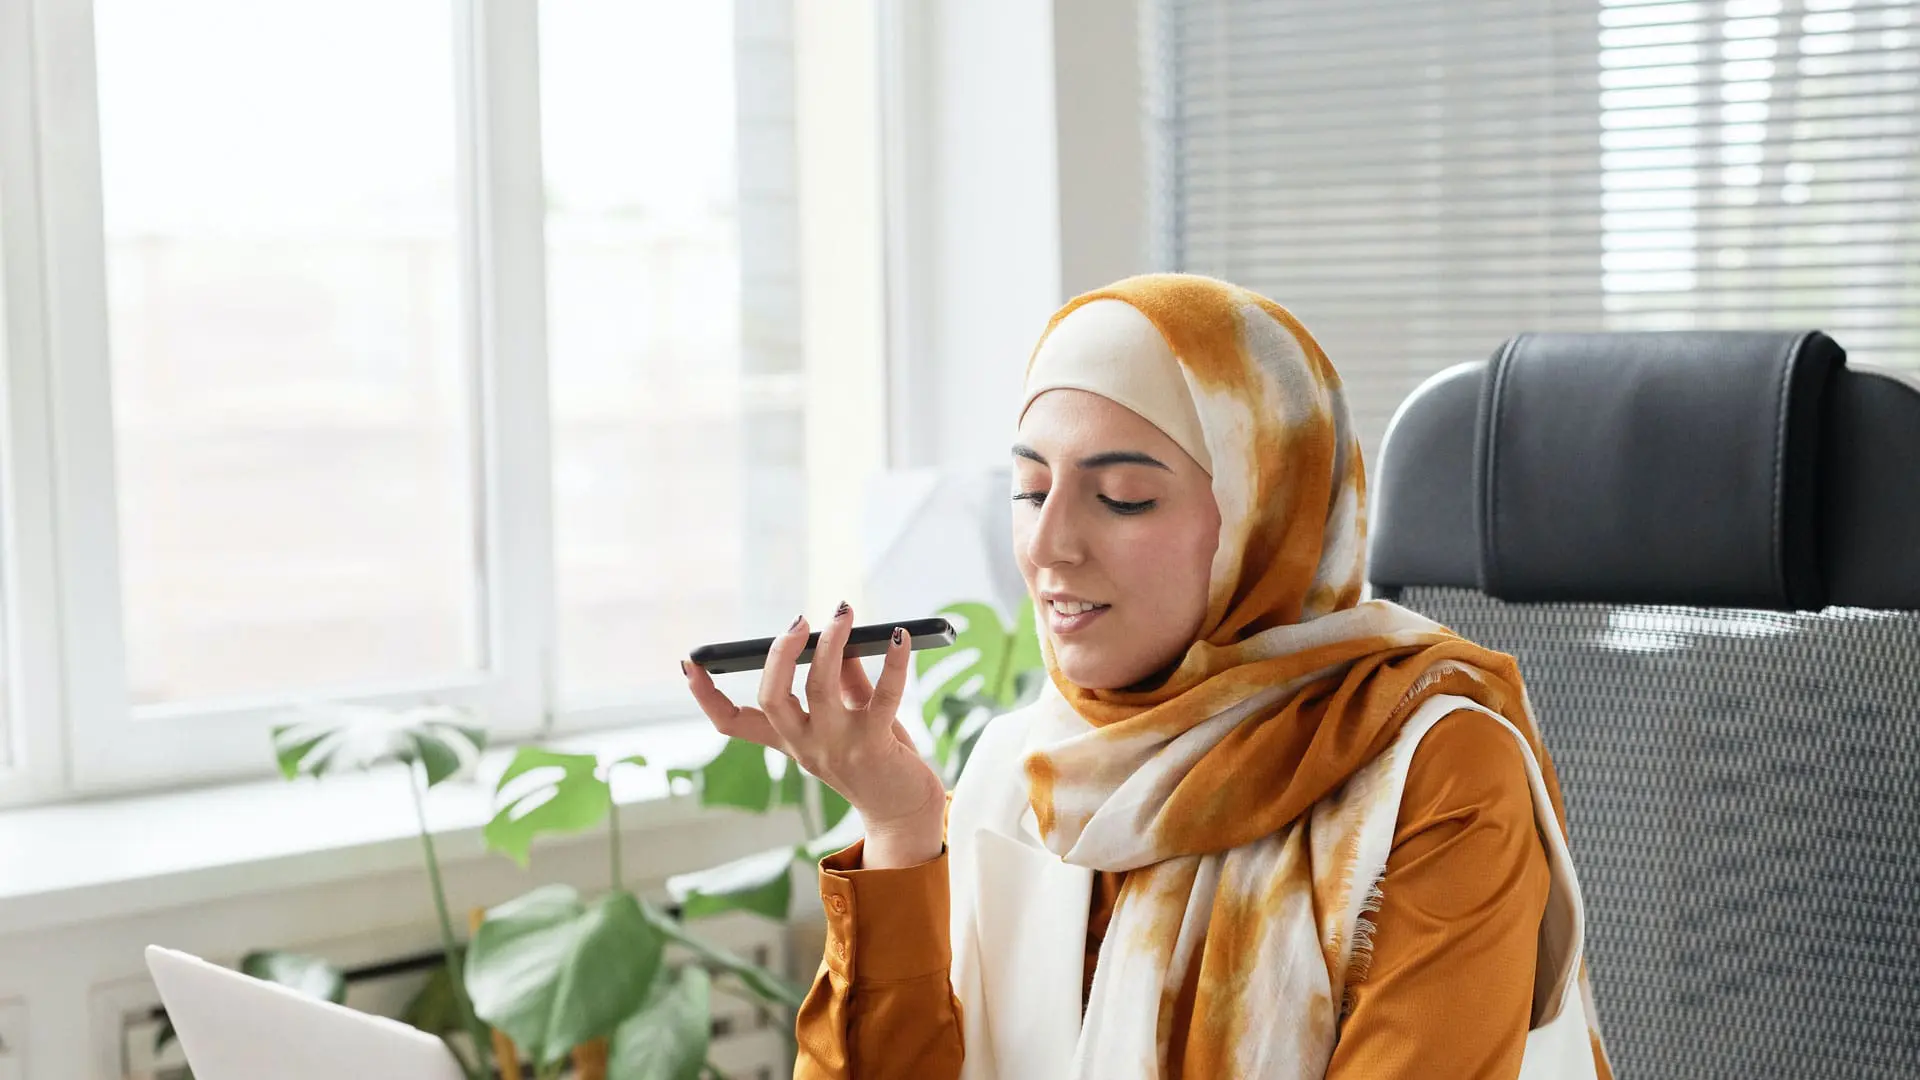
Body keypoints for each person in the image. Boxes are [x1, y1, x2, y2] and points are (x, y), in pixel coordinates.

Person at [682, 273, 1615, 1079]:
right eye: (1030, 490)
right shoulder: (1022, 771)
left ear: (1264, 516)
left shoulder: (1436, 775)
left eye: (1122, 497)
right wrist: (898, 829)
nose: (1049, 545)